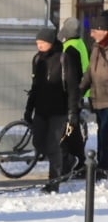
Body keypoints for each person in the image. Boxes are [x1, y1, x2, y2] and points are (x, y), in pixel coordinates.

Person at [25, 27, 70, 194]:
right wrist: (29, 109)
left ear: (51, 42)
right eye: (37, 43)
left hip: (59, 109)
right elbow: (35, 86)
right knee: (38, 142)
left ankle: (53, 182)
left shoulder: (63, 59)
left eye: (42, 43)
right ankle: (67, 159)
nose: (39, 46)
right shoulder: (37, 60)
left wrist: (72, 110)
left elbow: (71, 86)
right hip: (41, 109)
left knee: (53, 145)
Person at [58, 17, 89, 177]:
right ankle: (80, 163)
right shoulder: (80, 43)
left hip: (74, 93)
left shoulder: (69, 48)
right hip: (80, 92)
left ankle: (77, 161)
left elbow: (71, 74)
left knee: (70, 130)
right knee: (73, 130)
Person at [88, 21, 108, 176]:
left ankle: (104, 166)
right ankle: (102, 165)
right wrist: (80, 90)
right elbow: (90, 72)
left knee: (105, 133)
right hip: (98, 98)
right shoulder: (96, 47)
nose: (91, 34)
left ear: (104, 31)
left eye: (94, 30)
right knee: (102, 133)